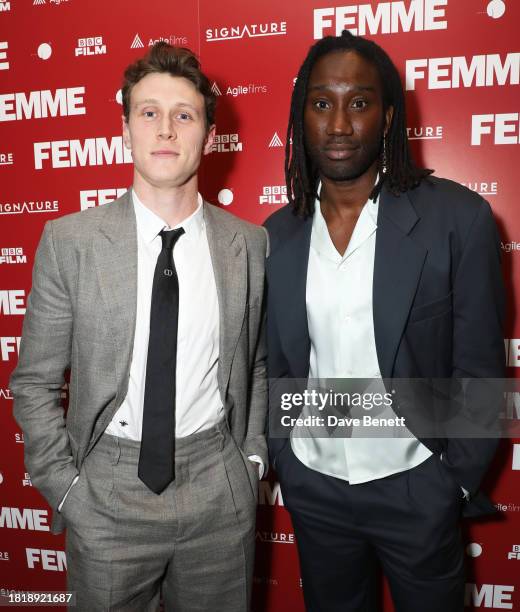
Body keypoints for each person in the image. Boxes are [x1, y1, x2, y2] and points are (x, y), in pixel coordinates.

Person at [11, 42, 267, 612]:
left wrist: (248, 464)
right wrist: (68, 490)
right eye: (149, 112)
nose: (167, 129)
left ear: (208, 133)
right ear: (125, 129)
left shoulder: (248, 244)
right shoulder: (70, 241)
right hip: (106, 492)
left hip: (217, 490)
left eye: (185, 114)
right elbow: (33, 384)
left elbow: (256, 363)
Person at [264, 30, 505, 612]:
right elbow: (275, 365)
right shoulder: (275, 236)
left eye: (359, 102)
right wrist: (288, 463)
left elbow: (479, 366)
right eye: (322, 104)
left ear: (389, 115)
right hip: (315, 490)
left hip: (418, 486)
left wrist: (452, 483)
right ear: (301, 118)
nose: (340, 124)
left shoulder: (458, 219)